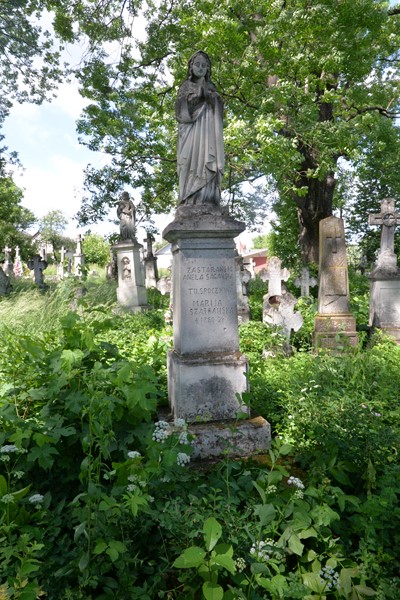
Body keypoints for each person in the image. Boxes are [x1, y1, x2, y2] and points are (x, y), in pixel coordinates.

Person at [175, 51, 224, 206]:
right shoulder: (186, 86)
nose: (201, 68)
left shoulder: (212, 87)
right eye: (197, 64)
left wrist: (215, 100)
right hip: (191, 132)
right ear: (191, 67)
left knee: (207, 162)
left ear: (208, 68)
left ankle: (207, 199)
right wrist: (200, 94)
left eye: (204, 65)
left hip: (208, 132)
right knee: (188, 163)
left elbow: (220, 112)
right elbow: (180, 112)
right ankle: (190, 200)